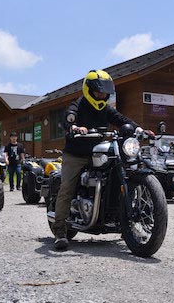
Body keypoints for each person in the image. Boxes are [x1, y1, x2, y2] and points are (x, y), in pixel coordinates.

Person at [52, 69, 153, 251]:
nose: (102, 95)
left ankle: (122, 219)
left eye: (105, 92)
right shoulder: (78, 105)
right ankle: (60, 231)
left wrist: (139, 129)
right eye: (99, 91)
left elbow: (121, 119)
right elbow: (68, 119)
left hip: (98, 152)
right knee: (67, 188)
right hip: (76, 154)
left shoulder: (105, 108)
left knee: (116, 173)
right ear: (88, 90)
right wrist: (74, 127)